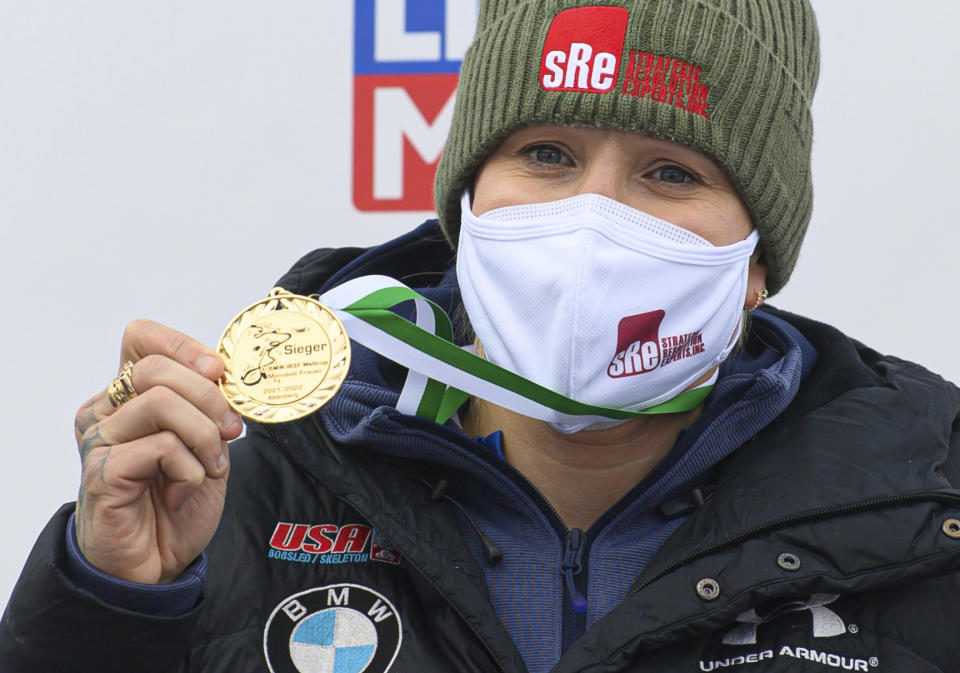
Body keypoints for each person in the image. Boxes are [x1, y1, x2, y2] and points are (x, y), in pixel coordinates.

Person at [3, 1, 960, 671]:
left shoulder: (926, 510)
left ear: (756, 263)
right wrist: (112, 604)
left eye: (669, 173)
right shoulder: (245, 480)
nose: (592, 218)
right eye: (546, 154)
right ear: (470, 206)